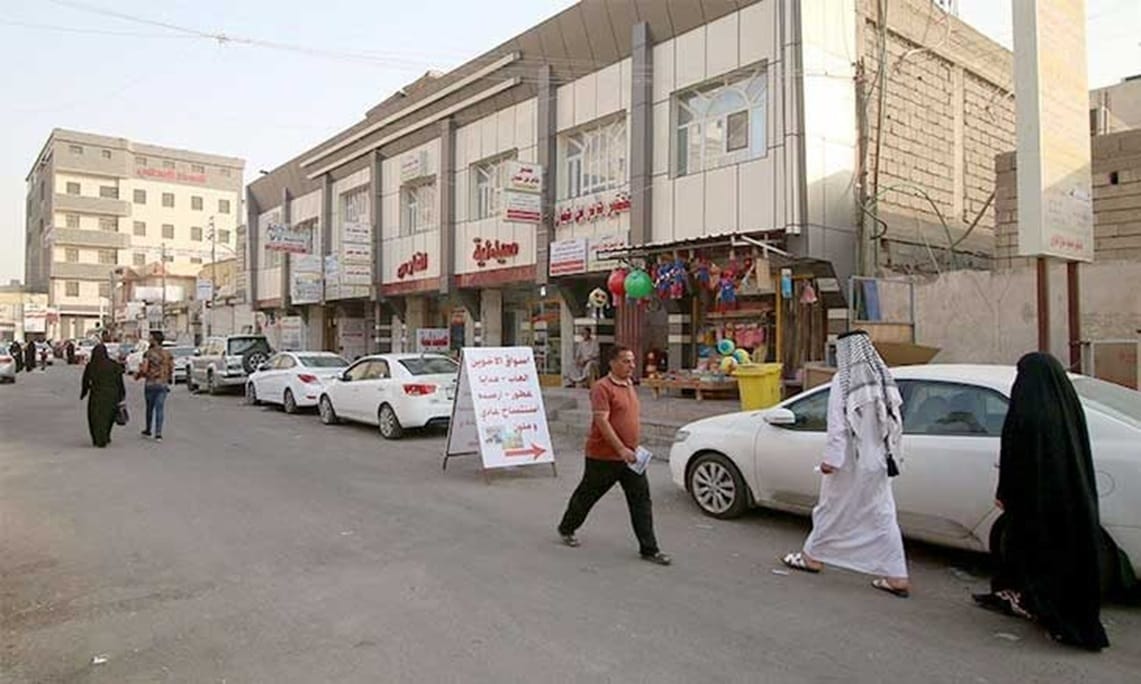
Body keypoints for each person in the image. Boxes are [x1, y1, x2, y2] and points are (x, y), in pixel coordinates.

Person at [972, 352, 1110, 651]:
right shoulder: (1065, 407)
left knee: (1038, 556)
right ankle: (1019, 596)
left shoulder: (1028, 413)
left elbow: (1018, 458)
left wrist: (1005, 492)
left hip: (1034, 504)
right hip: (1067, 500)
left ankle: (1051, 614)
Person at [781, 330, 910, 598]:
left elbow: (837, 426)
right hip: (879, 460)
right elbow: (895, 421)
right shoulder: (883, 378)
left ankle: (811, 557)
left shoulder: (844, 381)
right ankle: (896, 574)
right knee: (882, 513)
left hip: (852, 461)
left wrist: (831, 460)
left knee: (830, 509)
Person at [556, 345, 671, 566]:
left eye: (632, 361)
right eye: (626, 361)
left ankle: (649, 549)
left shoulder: (629, 385)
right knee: (587, 496)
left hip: (631, 458)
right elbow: (602, 421)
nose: (632, 365)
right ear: (613, 363)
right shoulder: (602, 388)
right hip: (603, 457)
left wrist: (633, 446)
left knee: (641, 502)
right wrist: (620, 449)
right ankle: (567, 528)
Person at [80, 343, 125, 448]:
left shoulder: (91, 365)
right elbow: (119, 381)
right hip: (112, 395)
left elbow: (86, 380)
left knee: (95, 417)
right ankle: (105, 435)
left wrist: (84, 392)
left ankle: (97, 438)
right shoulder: (114, 365)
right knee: (108, 417)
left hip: (96, 394)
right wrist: (122, 394)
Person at [136, 330, 174, 441]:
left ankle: (148, 429)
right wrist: (168, 379)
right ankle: (158, 433)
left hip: (150, 383)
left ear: (154, 340)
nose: (149, 339)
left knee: (150, 408)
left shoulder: (148, 353)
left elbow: (144, 368)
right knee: (160, 408)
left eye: (150, 337)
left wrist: (139, 375)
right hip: (162, 384)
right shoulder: (168, 354)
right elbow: (171, 368)